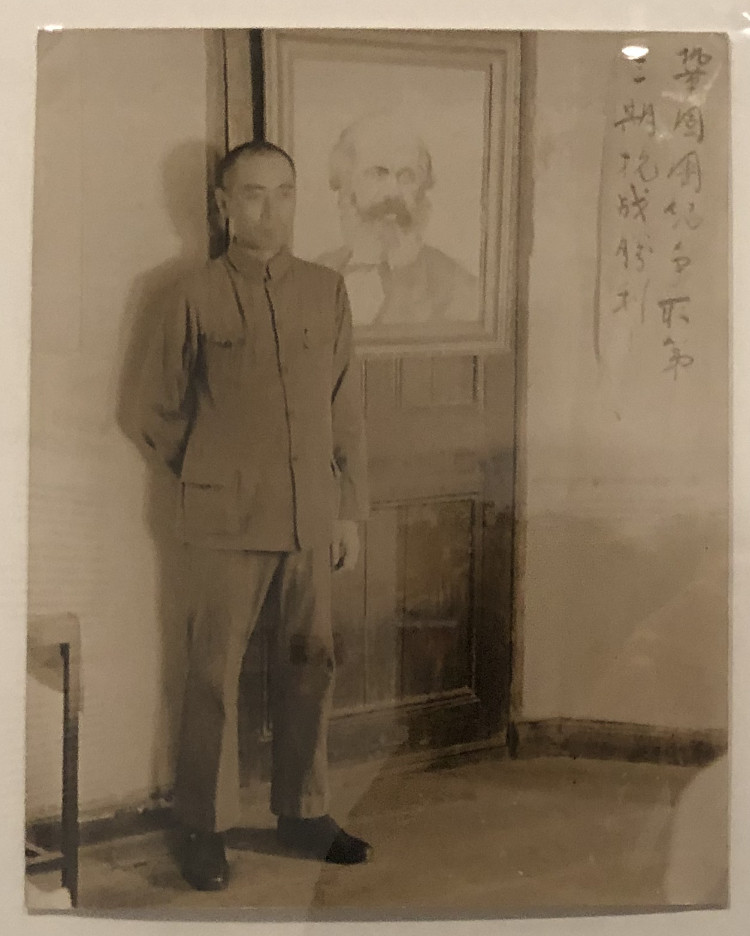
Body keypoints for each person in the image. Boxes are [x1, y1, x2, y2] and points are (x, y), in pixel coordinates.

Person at [137, 139, 370, 891]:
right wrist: (211, 469)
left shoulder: (327, 291)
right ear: (223, 205)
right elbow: (152, 411)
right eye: (253, 194)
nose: (271, 210)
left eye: (285, 192)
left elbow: (345, 410)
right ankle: (202, 827)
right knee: (212, 674)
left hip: (310, 516)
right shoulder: (191, 293)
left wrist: (348, 511)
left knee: (311, 664)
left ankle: (302, 813)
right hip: (224, 522)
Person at [317, 112, 479, 328]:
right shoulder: (316, 275)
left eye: (407, 177)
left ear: (422, 192)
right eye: (378, 174)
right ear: (347, 183)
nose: (393, 192)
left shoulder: (459, 288)